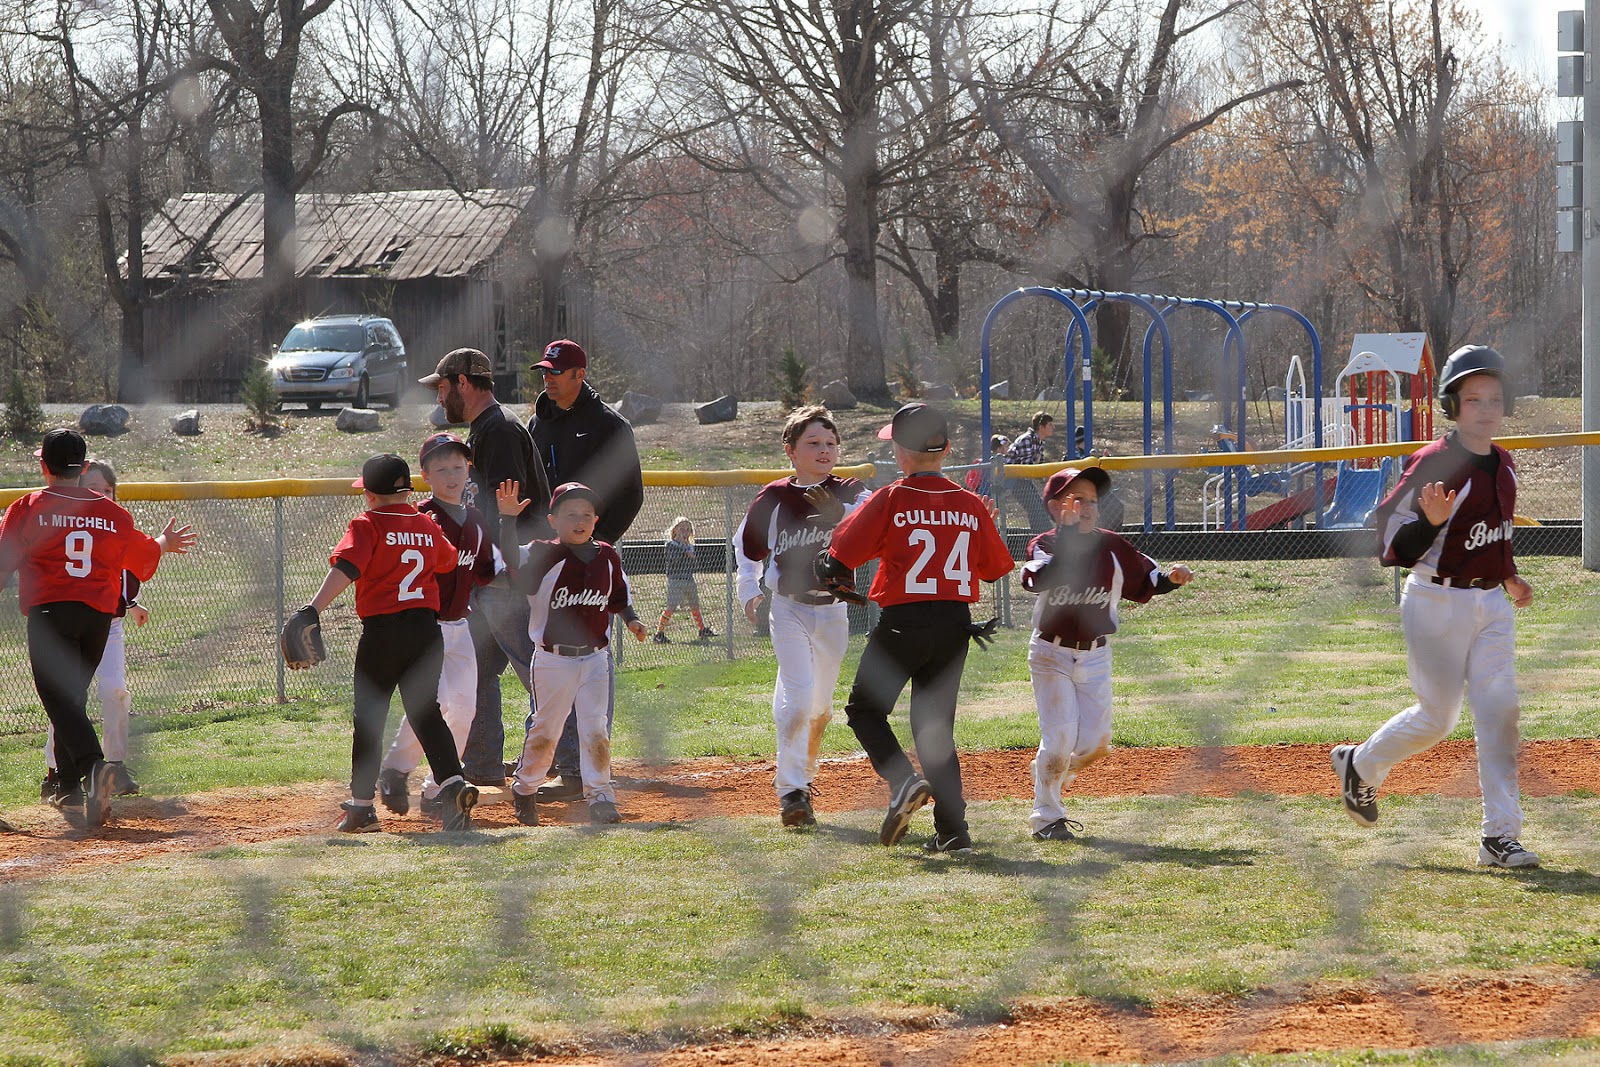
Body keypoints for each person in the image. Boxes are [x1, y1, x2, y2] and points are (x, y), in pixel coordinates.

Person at [1330, 345, 1538, 870]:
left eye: (1494, 398)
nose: (1486, 409)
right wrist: (1430, 522)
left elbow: (1493, 532)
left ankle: (1501, 835)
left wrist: (1507, 574)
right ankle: (1361, 763)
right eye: (1473, 399)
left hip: (1490, 603)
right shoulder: (1435, 461)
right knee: (1437, 718)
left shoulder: (1504, 462)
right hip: (1435, 598)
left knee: (1501, 712)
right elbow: (1389, 541)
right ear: (1452, 404)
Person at [821, 403, 1014, 854]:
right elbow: (995, 568)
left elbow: (843, 553)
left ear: (901, 454)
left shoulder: (893, 496)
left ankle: (903, 781)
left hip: (904, 621)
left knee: (865, 710)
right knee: (934, 731)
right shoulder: (969, 504)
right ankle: (953, 831)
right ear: (946, 449)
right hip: (954, 625)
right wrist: (978, 520)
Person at [0, 429, 195, 827]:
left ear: (43, 466)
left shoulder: (29, 506)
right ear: (84, 468)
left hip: (51, 614)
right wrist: (160, 541)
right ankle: (69, 787)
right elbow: (140, 557)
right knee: (71, 698)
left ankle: (93, 768)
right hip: (97, 620)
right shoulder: (113, 513)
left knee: (60, 701)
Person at [298, 453, 480, 833]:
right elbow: (447, 562)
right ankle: (453, 785)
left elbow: (346, 568)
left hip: (383, 632)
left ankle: (362, 807)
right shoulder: (427, 525)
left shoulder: (367, 524)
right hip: (427, 632)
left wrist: (313, 609)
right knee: (426, 712)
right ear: (408, 490)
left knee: (370, 717)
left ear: (369, 495)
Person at [1020, 467, 1193, 841]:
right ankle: (1047, 818)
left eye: (1092, 501)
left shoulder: (1113, 545)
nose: (1086, 508)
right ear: (1054, 507)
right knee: (1060, 736)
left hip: (1096, 655)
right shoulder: (1045, 544)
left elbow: (1146, 580)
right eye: (1076, 499)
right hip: (1051, 652)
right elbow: (1037, 580)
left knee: (1096, 742)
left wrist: (1171, 580)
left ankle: (1050, 770)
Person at [421, 347, 550, 787]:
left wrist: (492, 564)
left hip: (505, 576)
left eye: (441, 387)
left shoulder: (498, 429)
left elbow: (505, 509)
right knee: (475, 677)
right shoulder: (486, 429)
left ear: (462, 382)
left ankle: (564, 767)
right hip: (487, 576)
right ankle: (481, 766)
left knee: (540, 672)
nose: (439, 398)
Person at [735, 405, 869, 827]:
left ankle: (804, 776)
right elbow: (746, 547)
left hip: (832, 612)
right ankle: (792, 791)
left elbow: (873, 520)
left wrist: (840, 515)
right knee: (798, 697)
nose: (824, 449)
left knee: (820, 708)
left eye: (830, 442)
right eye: (813, 442)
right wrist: (747, 591)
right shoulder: (775, 496)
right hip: (790, 608)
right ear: (791, 451)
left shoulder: (850, 490)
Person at [526, 338, 645, 800]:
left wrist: (598, 548)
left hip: (593, 558)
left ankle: (585, 766)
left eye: (556, 371)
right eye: (544, 371)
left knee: (591, 653)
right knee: (545, 649)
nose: (548, 378)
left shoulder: (608, 425)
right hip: (551, 559)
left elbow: (630, 493)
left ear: (580, 374)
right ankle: (550, 756)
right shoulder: (540, 421)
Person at [495, 480, 648, 826]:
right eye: (569, 514)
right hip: (553, 659)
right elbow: (511, 557)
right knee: (547, 728)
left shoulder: (607, 555)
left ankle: (601, 796)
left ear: (596, 520)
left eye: (587, 514)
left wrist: (633, 620)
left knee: (596, 729)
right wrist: (507, 520)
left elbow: (618, 597)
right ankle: (525, 789)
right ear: (553, 520)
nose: (579, 520)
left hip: (595, 658)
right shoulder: (543, 553)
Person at [376, 433, 500, 816]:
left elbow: (485, 573)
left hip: (459, 626)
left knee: (464, 708)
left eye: (459, 467)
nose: (452, 475)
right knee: (435, 704)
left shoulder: (476, 521)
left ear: (469, 471)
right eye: (441, 468)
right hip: (422, 628)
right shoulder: (419, 518)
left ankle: (438, 788)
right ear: (425, 474)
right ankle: (396, 770)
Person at [40, 460, 151, 801]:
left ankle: (114, 767)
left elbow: (125, 574)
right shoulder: (71, 522)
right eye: (93, 489)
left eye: (107, 490)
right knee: (68, 698)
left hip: (110, 625)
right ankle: (56, 771)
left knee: (115, 690)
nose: (102, 495)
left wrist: (132, 605)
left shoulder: (116, 524)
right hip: (68, 621)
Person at [654, 517, 715, 643]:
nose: (685, 533)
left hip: (688, 579)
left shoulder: (690, 546)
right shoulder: (672, 545)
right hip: (676, 580)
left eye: (688, 530)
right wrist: (684, 551)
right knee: (671, 606)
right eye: (682, 529)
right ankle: (659, 633)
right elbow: (674, 560)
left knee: (694, 605)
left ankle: (702, 629)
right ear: (675, 531)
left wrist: (691, 556)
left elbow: (695, 564)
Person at [1005, 412, 1057, 532]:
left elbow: (1040, 465)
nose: (1053, 428)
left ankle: (1042, 533)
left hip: (1023, 480)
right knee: (1035, 506)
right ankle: (1042, 534)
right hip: (1012, 480)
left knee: (1038, 505)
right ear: (1041, 427)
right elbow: (1026, 467)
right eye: (1050, 425)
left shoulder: (1039, 442)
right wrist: (1037, 463)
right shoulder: (1027, 440)